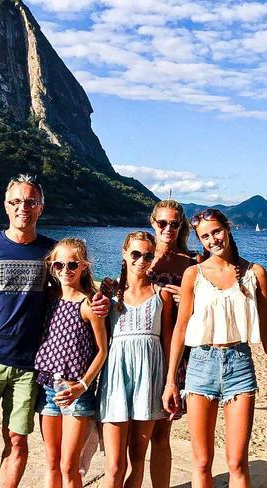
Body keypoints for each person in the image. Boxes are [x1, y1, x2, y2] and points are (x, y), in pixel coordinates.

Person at [0, 174, 110, 488]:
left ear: (40, 207)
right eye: (16, 201)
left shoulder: (53, 253)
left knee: (17, 440)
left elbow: (74, 287)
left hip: (29, 367)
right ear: (6, 206)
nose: (24, 207)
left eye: (31, 201)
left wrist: (104, 297)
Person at [163, 208, 267, 487]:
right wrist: (171, 380)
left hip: (239, 364)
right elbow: (181, 329)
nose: (213, 240)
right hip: (200, 363)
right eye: (205, 236)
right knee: (201, 461)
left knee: (236, 462)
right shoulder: (193, 274)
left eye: (216, 232)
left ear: (228, 228)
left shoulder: (255, 273)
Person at [99, 231, 174, 488]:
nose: (142, 259)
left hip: (149, 380)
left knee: (138, 458)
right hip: (116, 379)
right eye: (136, 254)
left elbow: (168, 340)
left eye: (148, 255)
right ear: (124, 254)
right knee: (115, 466)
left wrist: (170, 382)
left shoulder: (161, 294)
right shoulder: (109, 294)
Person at [33, 238, 108, 488]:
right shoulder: (49, 297)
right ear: (51, 266)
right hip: (47, 389)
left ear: (84, 266)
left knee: (69, 466)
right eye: (59, 265)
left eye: (73, 264)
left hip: (76, 392)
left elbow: (102, 351)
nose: (65, 271)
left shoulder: (89, 303)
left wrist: (83, 386)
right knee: (52, 462)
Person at [145, 199, 198, 488]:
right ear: (153, 223)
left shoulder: (193, 262)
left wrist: (193, 299)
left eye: (174, 223)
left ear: (182, 226)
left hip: (175, 352)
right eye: (162, 222)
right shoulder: (140, 255)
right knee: (136, 432)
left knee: (161, 434)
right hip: (141, 349)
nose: (168, 228)